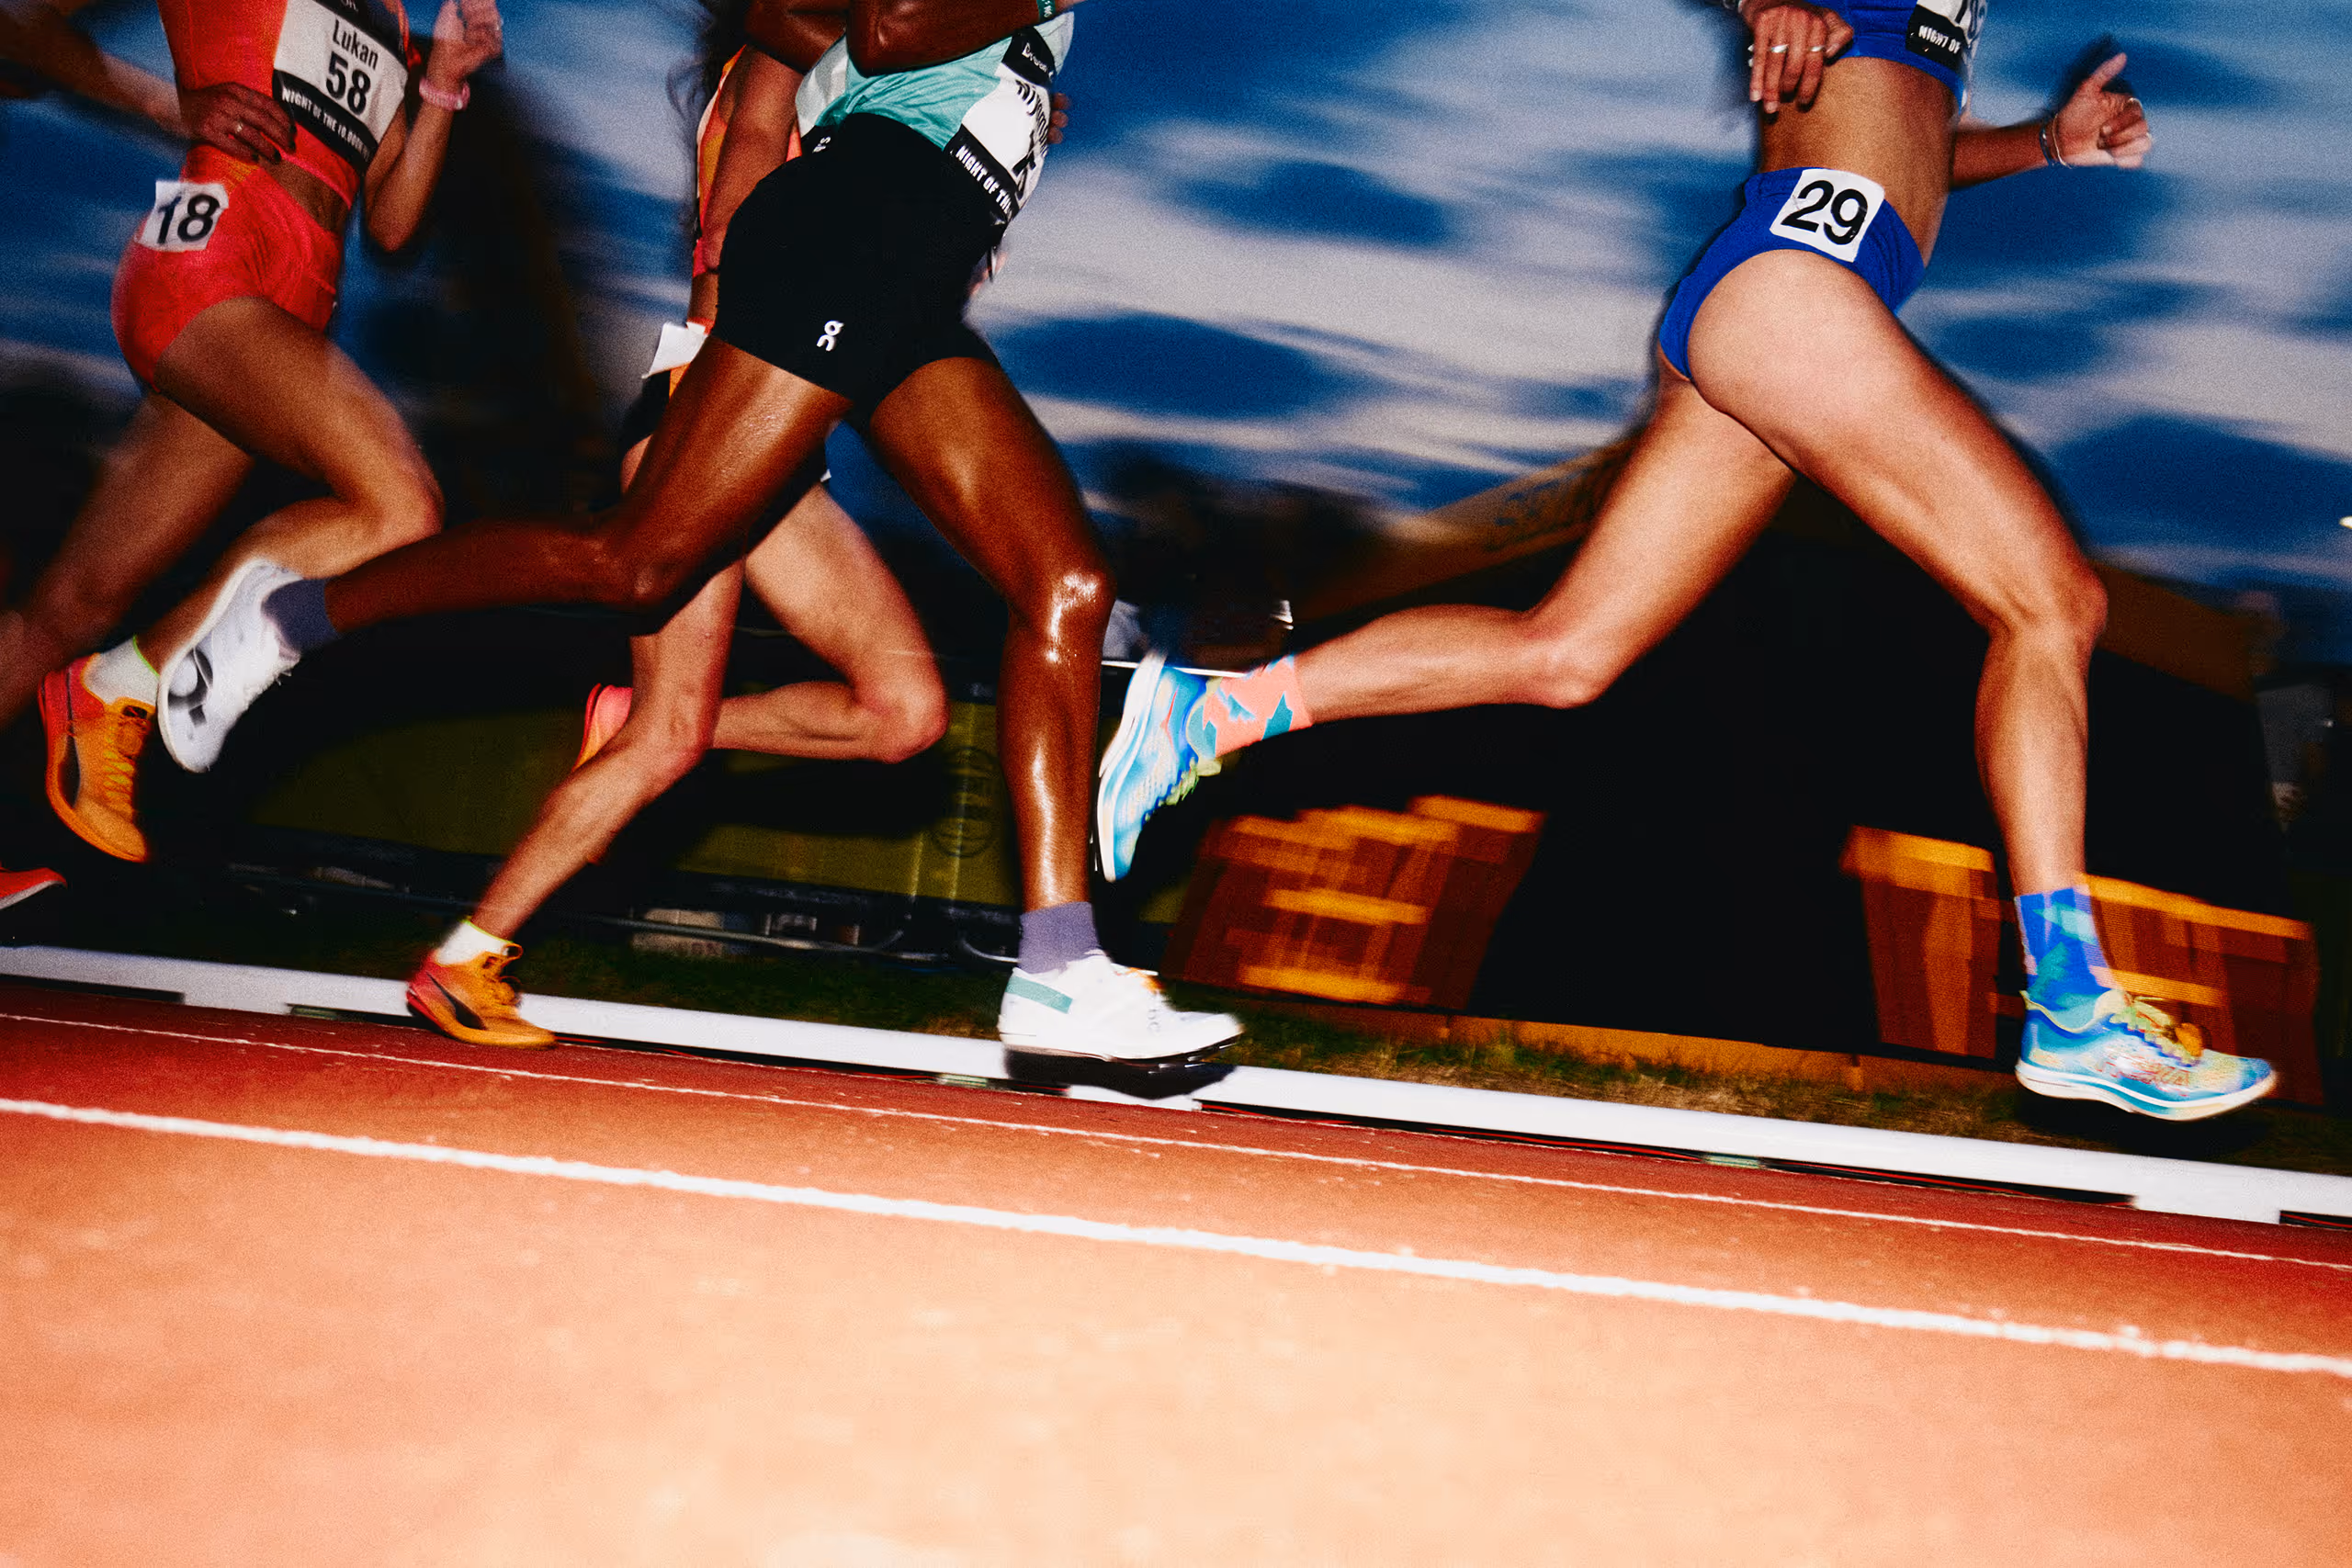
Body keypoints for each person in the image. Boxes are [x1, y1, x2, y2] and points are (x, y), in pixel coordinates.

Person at [1101, 2, 2273, 1120]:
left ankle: (1216, 710)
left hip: (1782, 293)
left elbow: (1909, 146)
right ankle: (2070, 1004)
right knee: (2050, 603)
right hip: (1795, 285)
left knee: (1565, 653)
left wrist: (2044, 147)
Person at [159, 0, 1242, 1064]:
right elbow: (883, 30)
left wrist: (1011, 90)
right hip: (858, 236)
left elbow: (867, 47)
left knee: (1063, 584)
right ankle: (291, 615)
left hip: (907, 265)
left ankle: (1059, 970)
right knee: (634, 568)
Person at [409, 11, 951, 1047]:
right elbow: (744, 188)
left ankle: (633, 723)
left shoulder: (859, 91)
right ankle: (466, 958)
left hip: (781, 446)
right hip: (708, 408)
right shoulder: (785, 57)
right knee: (669, 735)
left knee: (904, 711)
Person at [0, 0, 503, 889]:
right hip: (213, 257)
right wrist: (171, 107)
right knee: (398, 502)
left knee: (70, 604)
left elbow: (389, 225)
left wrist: (439, 88)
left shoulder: (388, 14)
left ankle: (101, 674)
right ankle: (122, 681)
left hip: (298, 296)